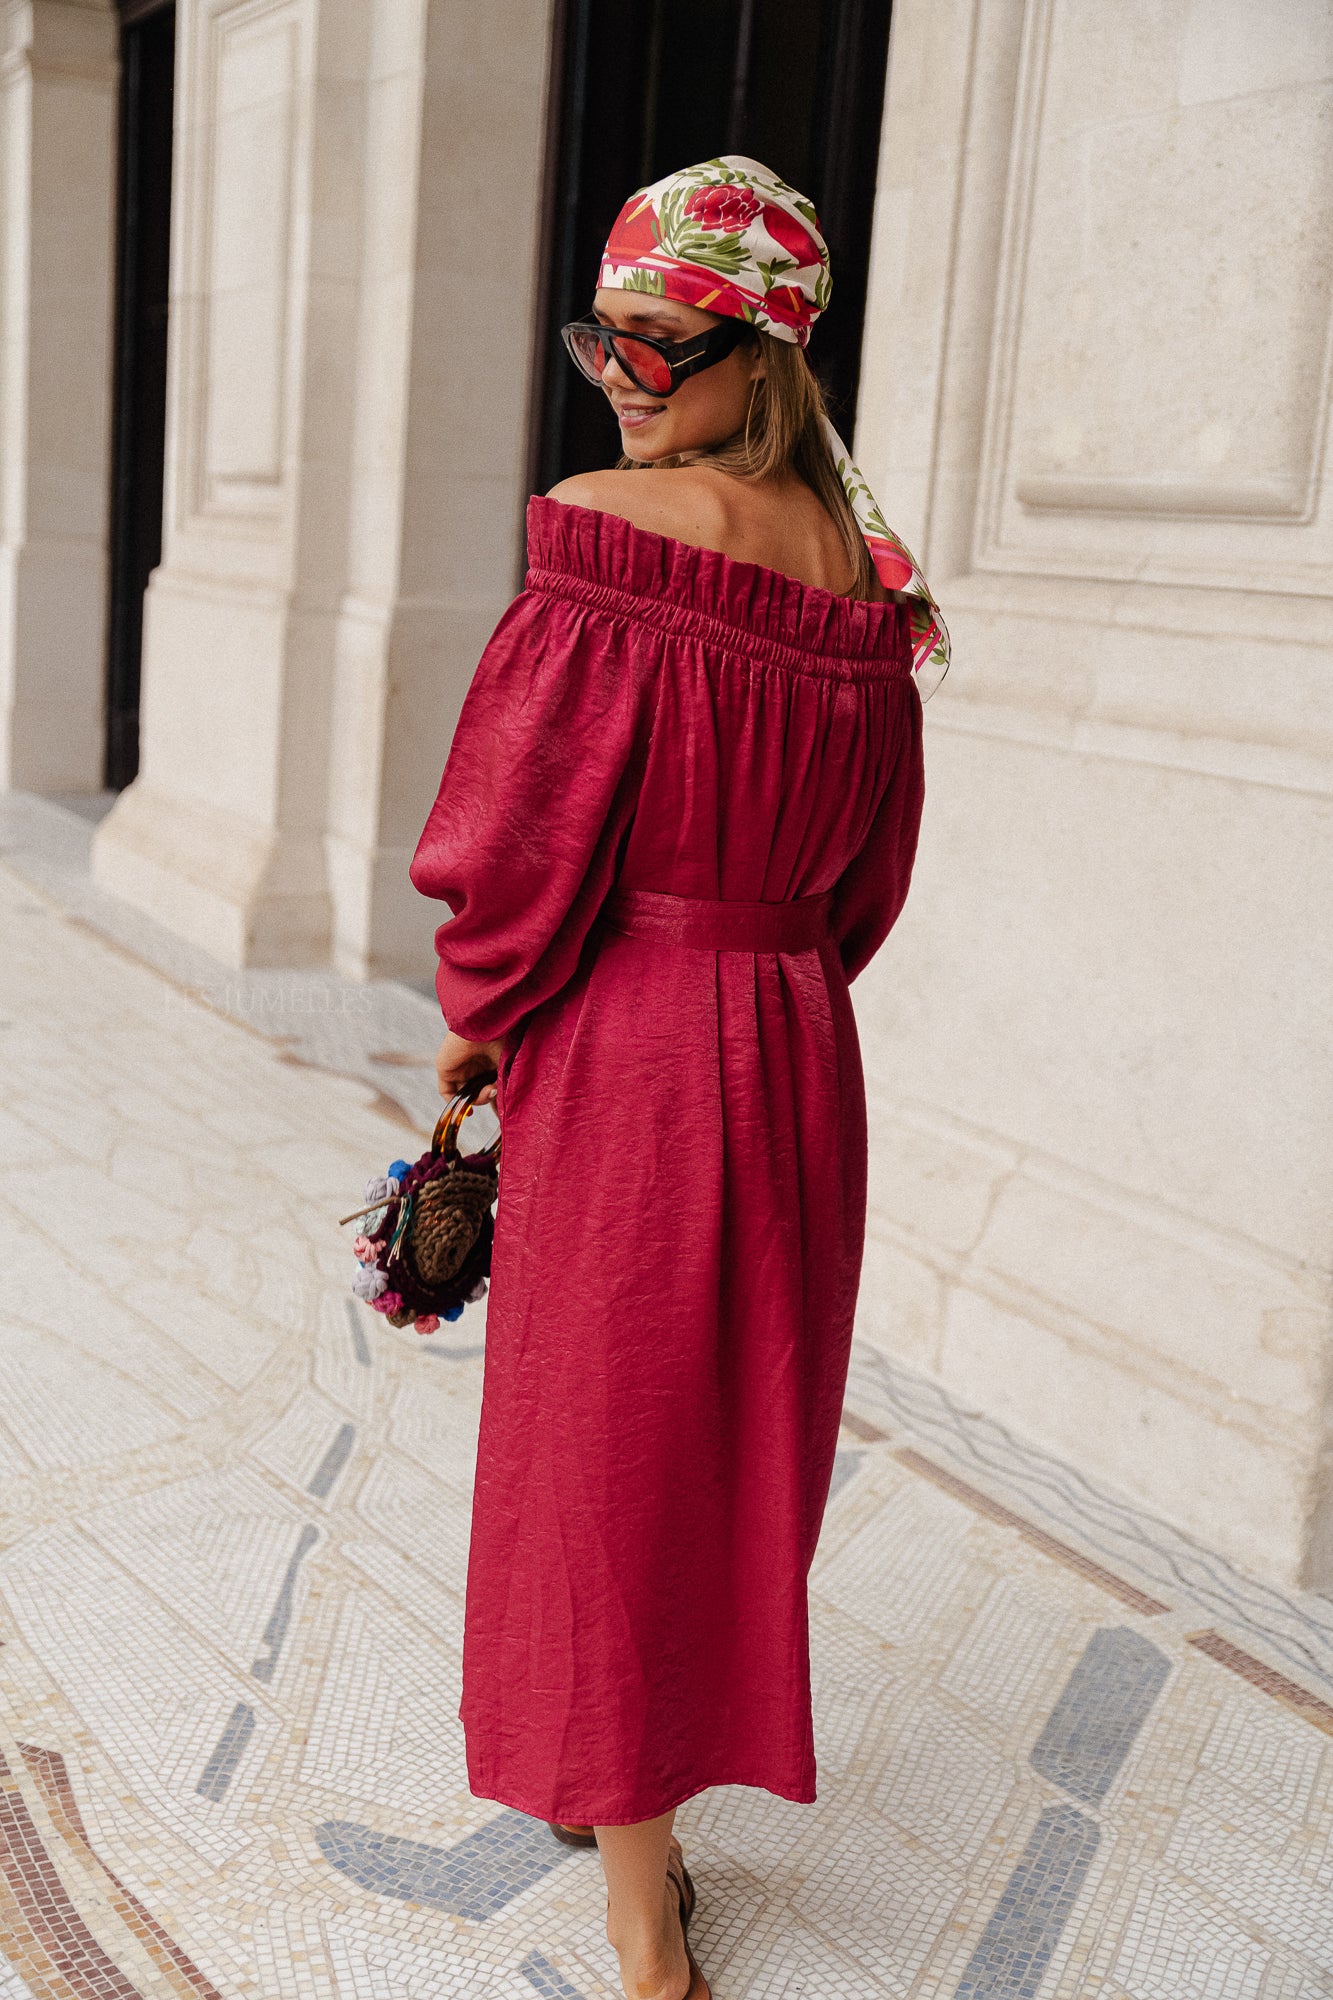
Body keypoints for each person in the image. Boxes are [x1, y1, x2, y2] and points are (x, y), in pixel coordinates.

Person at [409, 156, 948, 2000]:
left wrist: (485, 1007)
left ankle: (644, 1922)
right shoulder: (869, 585)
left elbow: (512, 835)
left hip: (635, 1041)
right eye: (602, 339)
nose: (621, 374)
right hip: (796, 1042)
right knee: (729, 1441)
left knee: (605, 1453)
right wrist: (767, 981)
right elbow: (868, 884)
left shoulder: (610, 530)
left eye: (660, 340)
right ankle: (642, 1806)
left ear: (763, 347)